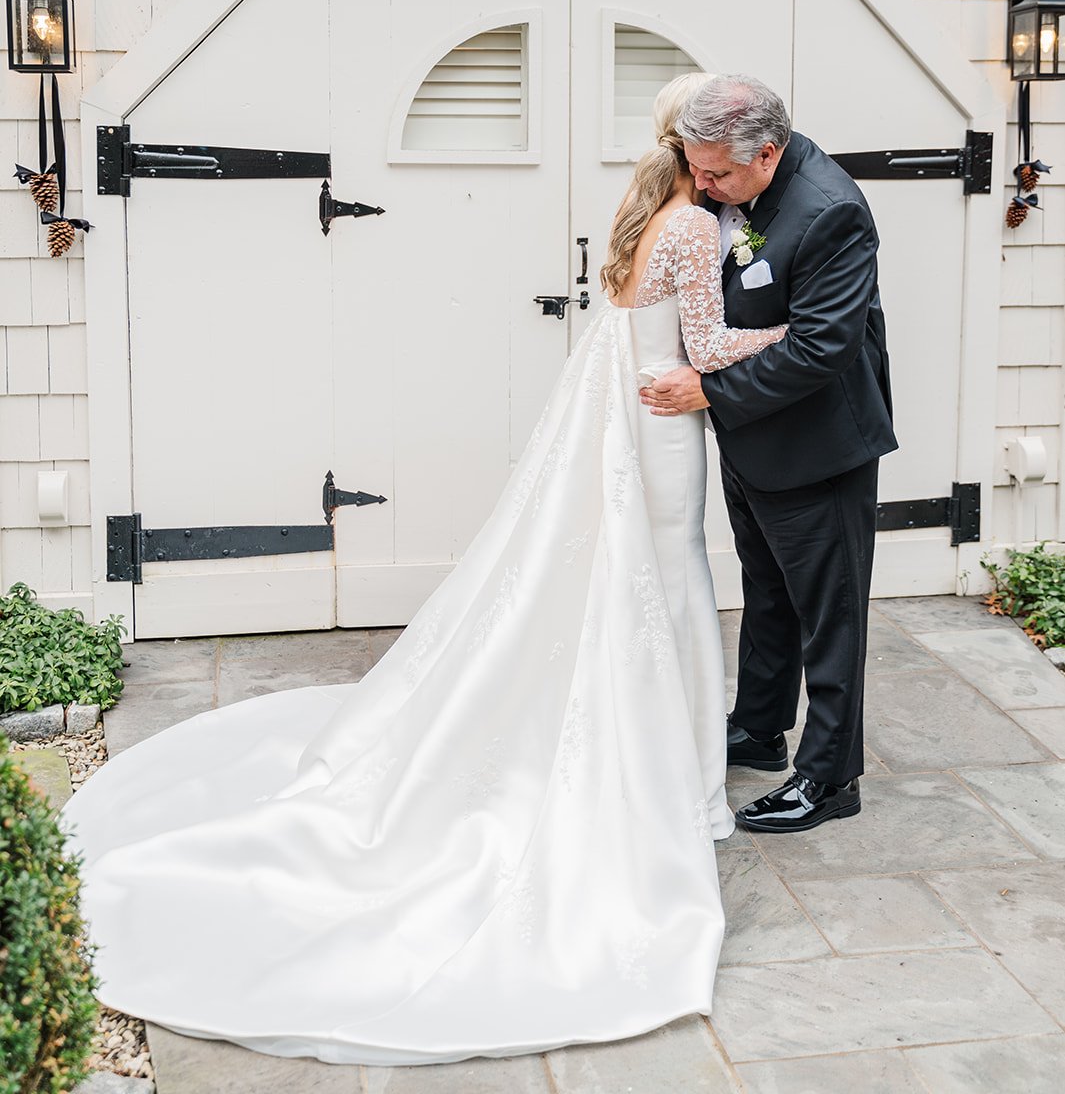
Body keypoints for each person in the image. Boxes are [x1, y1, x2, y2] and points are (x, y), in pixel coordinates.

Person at [59, 73, 785, 1067]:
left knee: (645, 598)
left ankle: (682, 768)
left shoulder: (644, 213)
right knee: (674, 593)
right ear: (707, 150)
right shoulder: (699, 232)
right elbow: (703, 350)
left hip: (630, 427)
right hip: (660, 437)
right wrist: (789, 331)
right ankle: (687, 786)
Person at [641, 75, 896, 834]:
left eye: (716, 173)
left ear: (769, 152)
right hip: (754, 438)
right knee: (768, 593)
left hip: (816, 444)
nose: (703, 185)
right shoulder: (731, 178)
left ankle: (828, 777)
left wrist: (710, 394)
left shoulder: (830, 211)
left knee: (830, 614)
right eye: (696, 166)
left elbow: (822, 347)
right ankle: (758, 728)